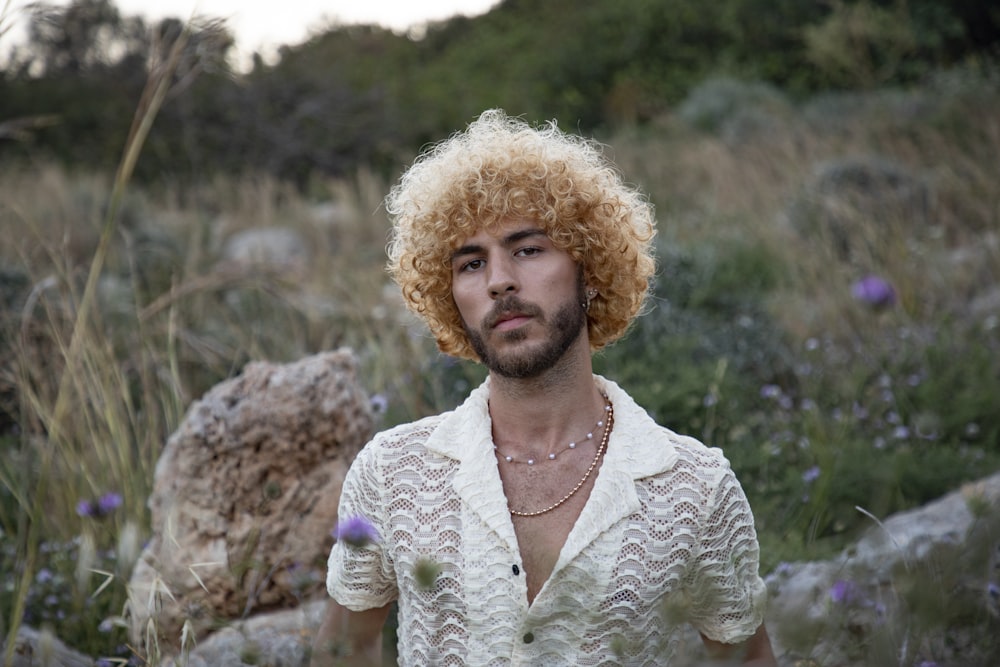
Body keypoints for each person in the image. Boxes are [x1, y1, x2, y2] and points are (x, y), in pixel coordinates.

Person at [311, 109, 776, 666]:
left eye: (528, 249)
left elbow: (747, 658)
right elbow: (344, 650)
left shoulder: (694, 487)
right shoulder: (393, 473)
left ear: (591, 269)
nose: (499, 280)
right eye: (470, 263)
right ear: (449, 296)